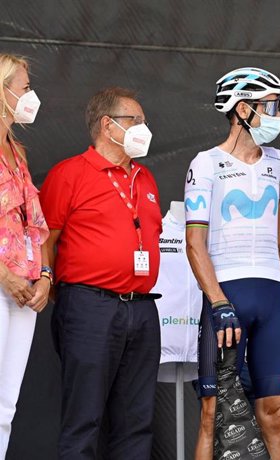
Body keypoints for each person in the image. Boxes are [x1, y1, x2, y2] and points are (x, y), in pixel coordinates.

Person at [40, 87, 162, 459]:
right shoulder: (69, 174)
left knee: (137, 422)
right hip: (90, 306)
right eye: (135, 121)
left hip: (142, 309)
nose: (144, 128)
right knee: (84, 420)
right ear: (108, 126)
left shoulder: (145, 177)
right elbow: (46, 238)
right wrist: (55, 282)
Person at [185, 66, 280, 460]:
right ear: (242, 109)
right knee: (212, 414)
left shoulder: (279, 162)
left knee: (276, 413)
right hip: (226, 293)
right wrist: (217, 302)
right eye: (269, 105)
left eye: (277, 104)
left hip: (271, 296)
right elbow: (194, 242)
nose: (276, 113)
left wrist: (273, 245)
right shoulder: (206, 163)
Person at [0, 53, 49, 459]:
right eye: (25, 87)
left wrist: (45, 275)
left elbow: (35, 222)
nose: (30, 95)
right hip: (2, 282)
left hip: (24, 288)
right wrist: (4, 276)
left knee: (6, 403)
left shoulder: (18, 151)